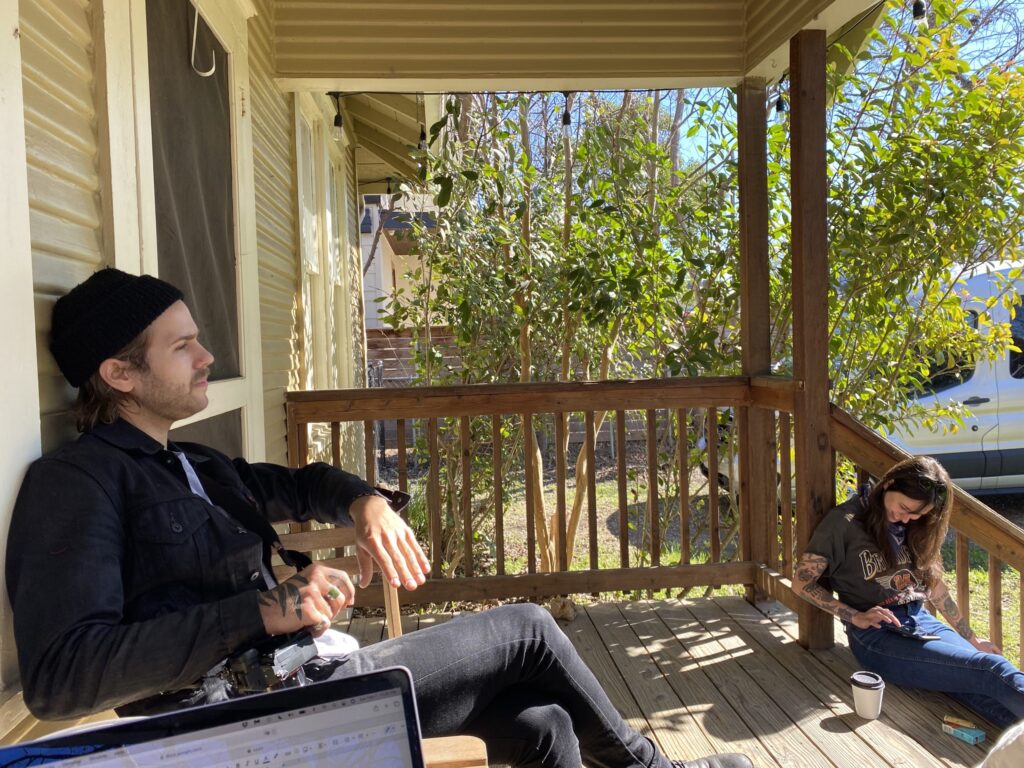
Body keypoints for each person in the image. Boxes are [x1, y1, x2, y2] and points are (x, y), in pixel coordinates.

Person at [5, 268, 751, 768]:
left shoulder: (194, 463)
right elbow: (61, 679)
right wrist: (267, 609)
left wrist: (365, 506)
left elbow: (306, 483)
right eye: (183, 346)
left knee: (543, 724)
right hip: (244, 727)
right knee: (528, 628)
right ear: (120, 374)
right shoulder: (74, 484)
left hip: (306, 677)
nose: (207, 357)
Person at [793, 456, 1024, 727]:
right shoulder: (844, 522)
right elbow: (802, 582)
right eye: (904, 508)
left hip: (920, 620)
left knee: (976, 682)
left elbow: (934, 587)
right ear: (888, 484)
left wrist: (972, 638)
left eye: (916, 514)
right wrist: (854, 616)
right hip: (878, 635)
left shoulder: (915, 526)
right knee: (991, 670)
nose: (907, 518)